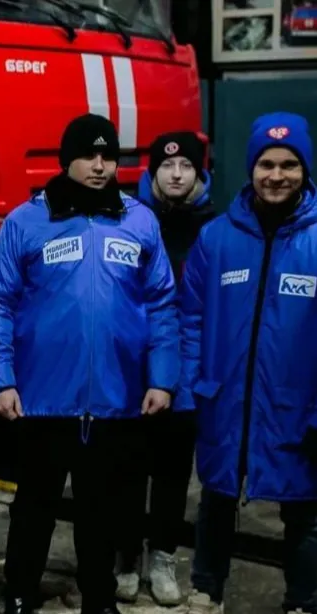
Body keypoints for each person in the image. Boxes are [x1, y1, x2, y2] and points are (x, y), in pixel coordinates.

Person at [0, 114, 179, 614]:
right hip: (41, 398)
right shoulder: (25, 221)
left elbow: (162, 303)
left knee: (102, 511)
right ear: (65, 159)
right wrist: (1, 378)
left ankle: (99, 598)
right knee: (34, 507)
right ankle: (20, 594)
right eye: (88, 155)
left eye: (107, 156)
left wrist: (162, 378)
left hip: (116, 398)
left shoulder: (139, 220)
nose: (99, 166)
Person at [177, 112, 317, 614]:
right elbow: (190, 318)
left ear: (305, 170)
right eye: (266, 164)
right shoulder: (217, 239)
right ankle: (206, 591)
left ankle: (303, 600)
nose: (276, 175)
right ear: (250, 168)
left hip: (298, 407)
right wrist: (190, 387)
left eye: (288, 165)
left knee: (305, 511)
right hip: (225, 401)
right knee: (216, 500)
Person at [115, 131, 216, 606]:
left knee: (174, 474)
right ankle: (126, 557)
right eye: (167, 166)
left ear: (199, 172)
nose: (176, 175)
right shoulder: (130, 219)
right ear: (152, 172)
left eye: (186, 166)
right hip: (134, 373)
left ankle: (163, 557)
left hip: (188, 373)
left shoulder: (213, 228)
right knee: (129, 470)